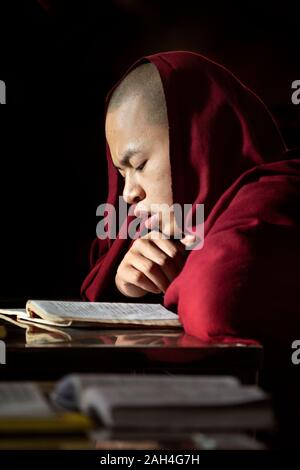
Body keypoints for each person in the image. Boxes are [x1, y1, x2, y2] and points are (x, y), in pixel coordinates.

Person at [81, 51, 300, 345]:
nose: (128, 194)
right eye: (122, 174)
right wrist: (128, 286)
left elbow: (215, 305)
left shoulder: (277, 195)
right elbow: (98, 281)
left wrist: (185, 271)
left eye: (140, 166)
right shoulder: (175, 224)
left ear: (200, 145)